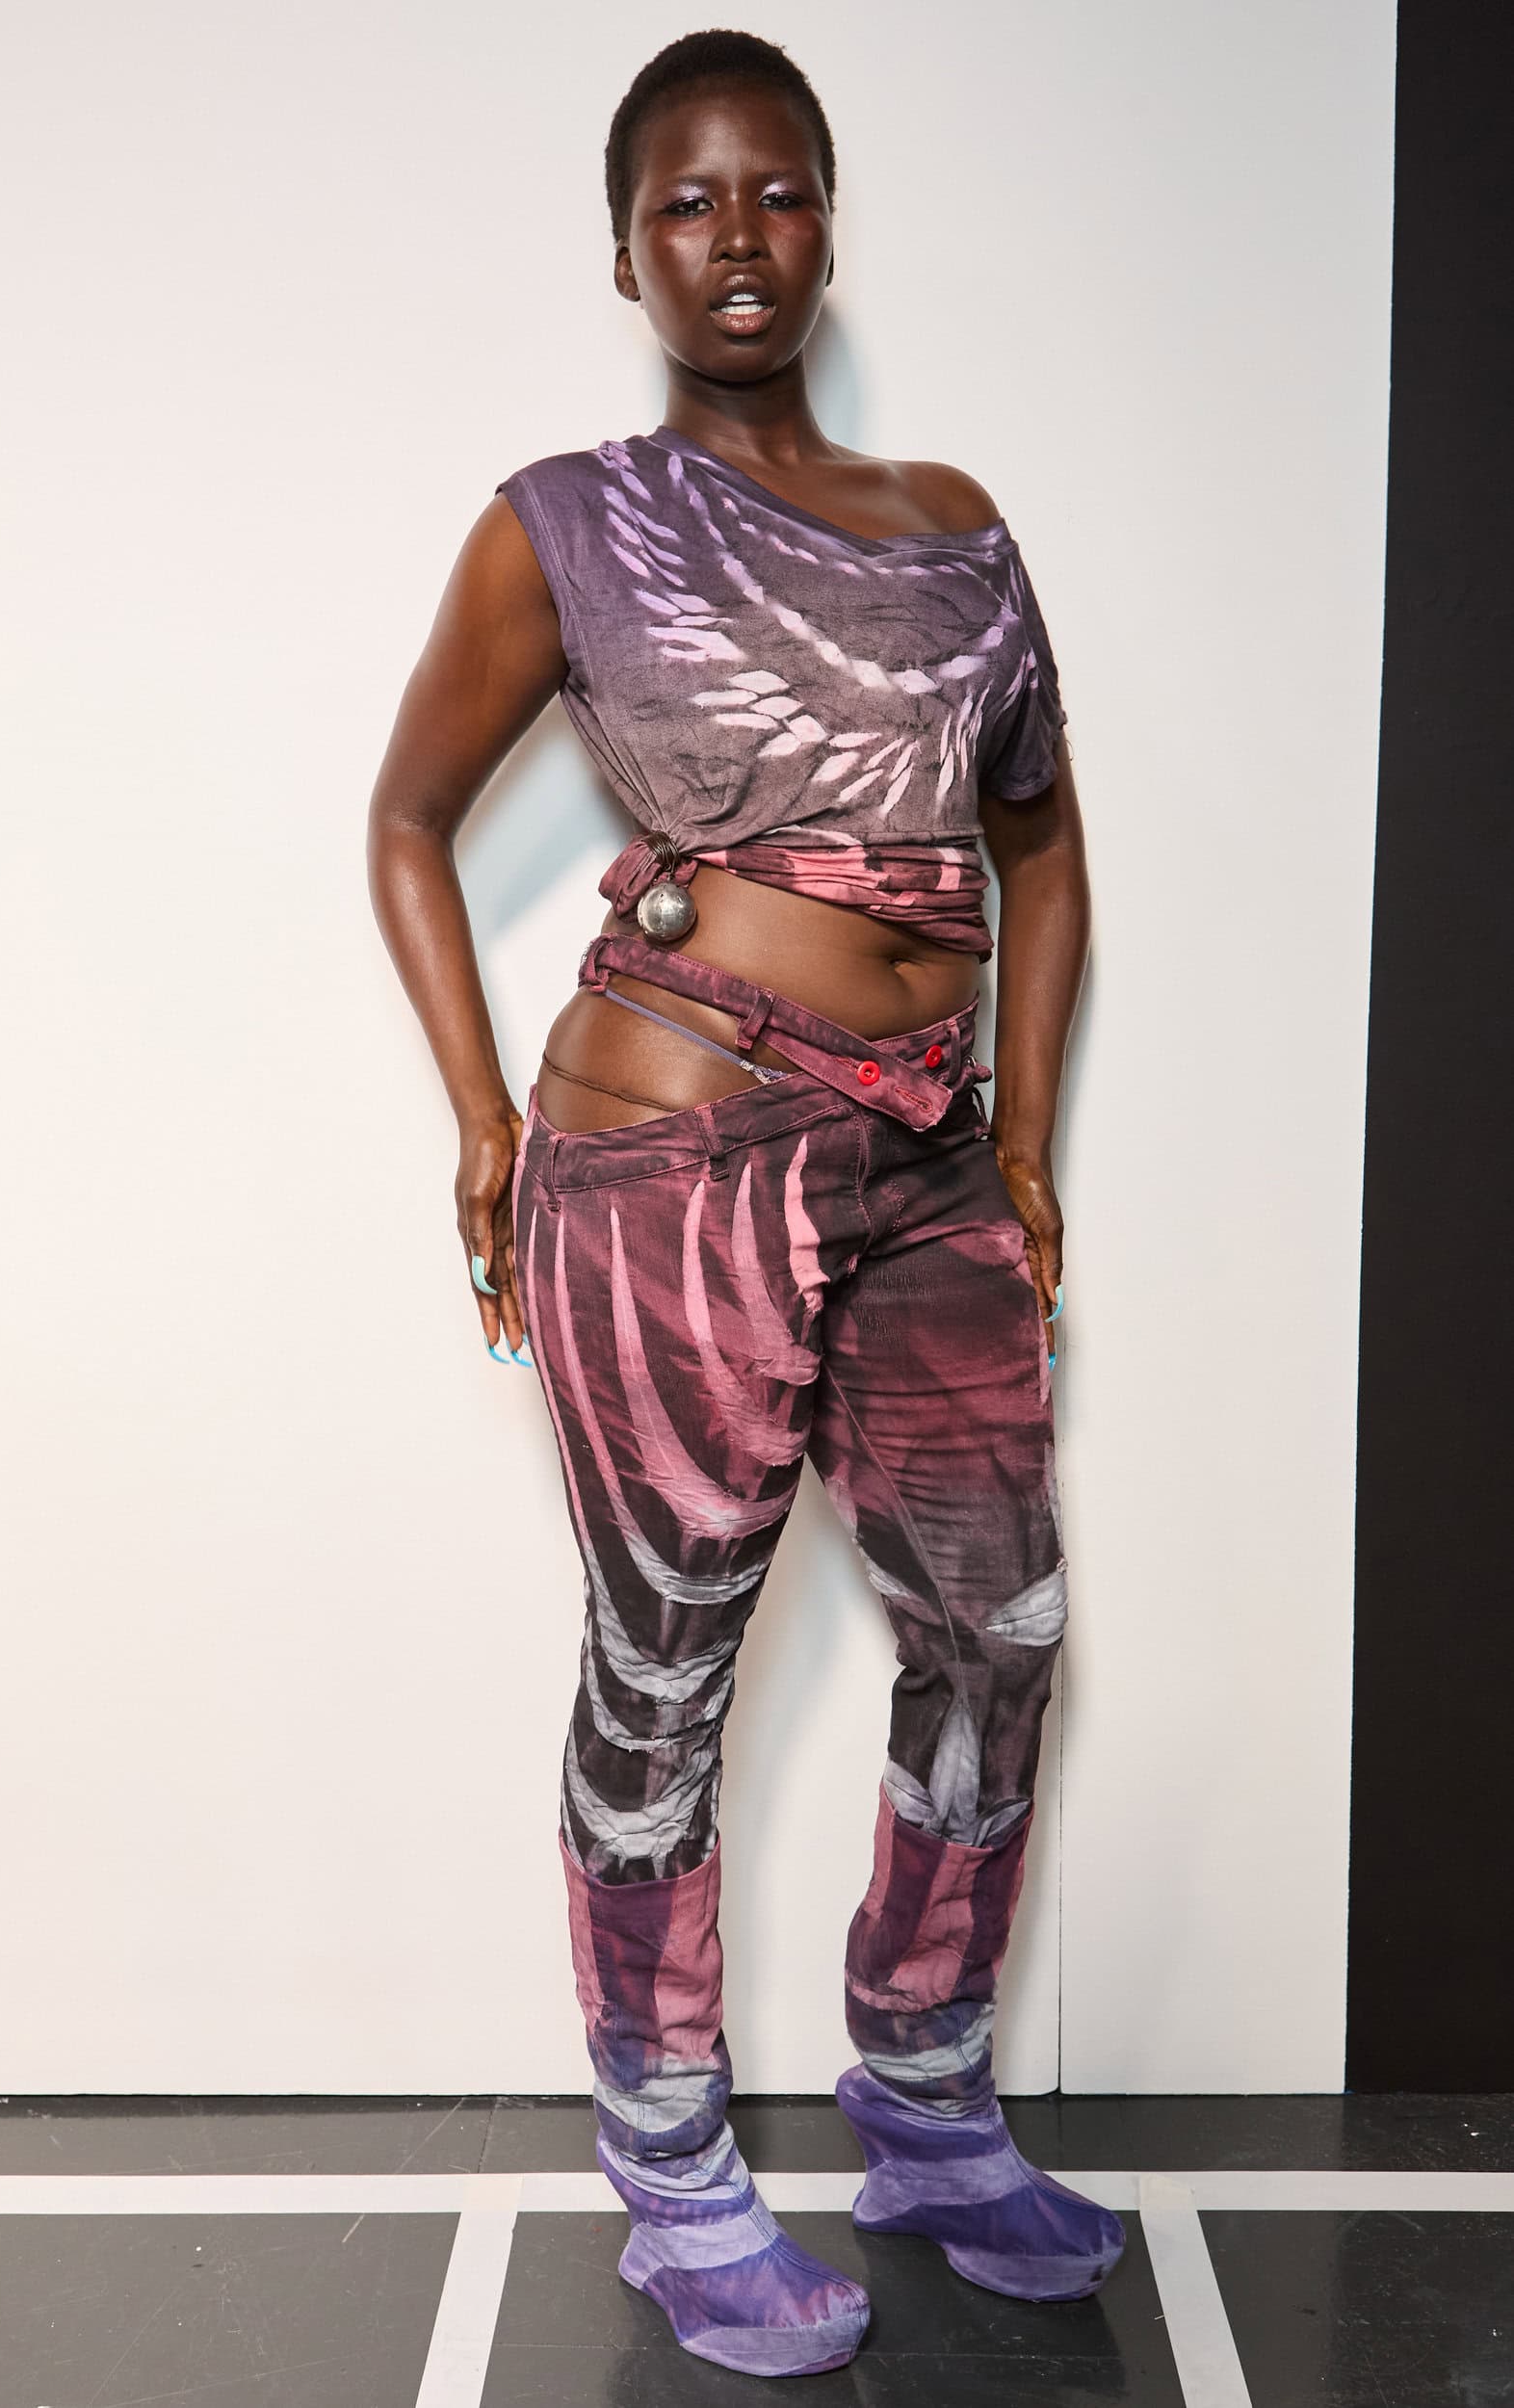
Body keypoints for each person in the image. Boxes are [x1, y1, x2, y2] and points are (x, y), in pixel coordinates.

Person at [367, 27, 1123, 2379]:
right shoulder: (565, 522)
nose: (738, 237)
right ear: (627, 253)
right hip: (674, 1151)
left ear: (827, 225)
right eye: (687, 201)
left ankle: (926, 2098)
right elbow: (406, 815)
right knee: (667, 1655)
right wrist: (479, 1115)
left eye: (778, 192)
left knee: (1000, 1624)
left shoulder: (955, 522)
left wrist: (1021, 1128)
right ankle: (675, 2170)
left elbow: (1039, 844)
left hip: (925, 1156)